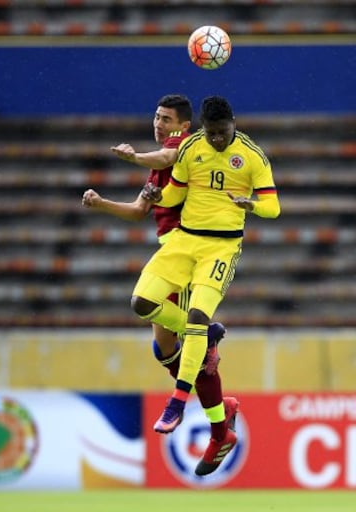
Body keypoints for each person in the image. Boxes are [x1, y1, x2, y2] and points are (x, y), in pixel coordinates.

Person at [82, 94, 239, 475]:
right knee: (166, 348)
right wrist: (101, 203)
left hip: (188, 253)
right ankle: (223, 416)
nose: (159, 123)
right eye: (156, 116)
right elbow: (140, 210)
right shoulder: (161, 164)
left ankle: (219, 427)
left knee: (180, 343)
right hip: (169, 252)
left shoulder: (181, 148)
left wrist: (134, 157)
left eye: (166, 119)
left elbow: (168, 158)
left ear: (184, 126)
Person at [132, 95, 281, 475]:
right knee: (149, 315)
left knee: (186, 331)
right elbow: (173, 193)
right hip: (182, 242)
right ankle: (220, 422)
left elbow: (273, 207)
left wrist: (251, 205)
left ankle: (182, 403)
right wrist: (155, 196)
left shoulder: (250, 155)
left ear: (233, 124)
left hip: (219, 246)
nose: (216, 140)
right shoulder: (189, 148)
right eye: (211, 133)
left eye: (222, 133)